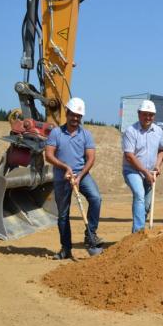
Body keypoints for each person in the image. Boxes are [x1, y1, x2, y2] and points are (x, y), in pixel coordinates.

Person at [44, 97, 103, 260]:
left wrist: (80, 175)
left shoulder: (86, 135)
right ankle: (66, 249)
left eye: (79, 116)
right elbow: (48, 155)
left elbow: (91, 158)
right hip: (62, 178)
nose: (75, 118)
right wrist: (65, 167)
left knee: (96, 198)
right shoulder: (56, 133)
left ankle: (90, 234)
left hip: (82, 175)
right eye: (73, 114)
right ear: (67, 113)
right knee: (63, 215)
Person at [122, 99, 163, 233]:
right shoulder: (131, 131)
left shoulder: (158, 131)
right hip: (132, 170)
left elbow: (162, 150)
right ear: (139, 114)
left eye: (151, 114)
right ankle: (138, 232)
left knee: (147, 205)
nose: (148, 117)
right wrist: (144, 172)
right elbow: (129, 156)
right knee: (139, 194)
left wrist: (158, 165)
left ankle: (138, 231)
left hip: (150, 172)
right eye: (145, 114)